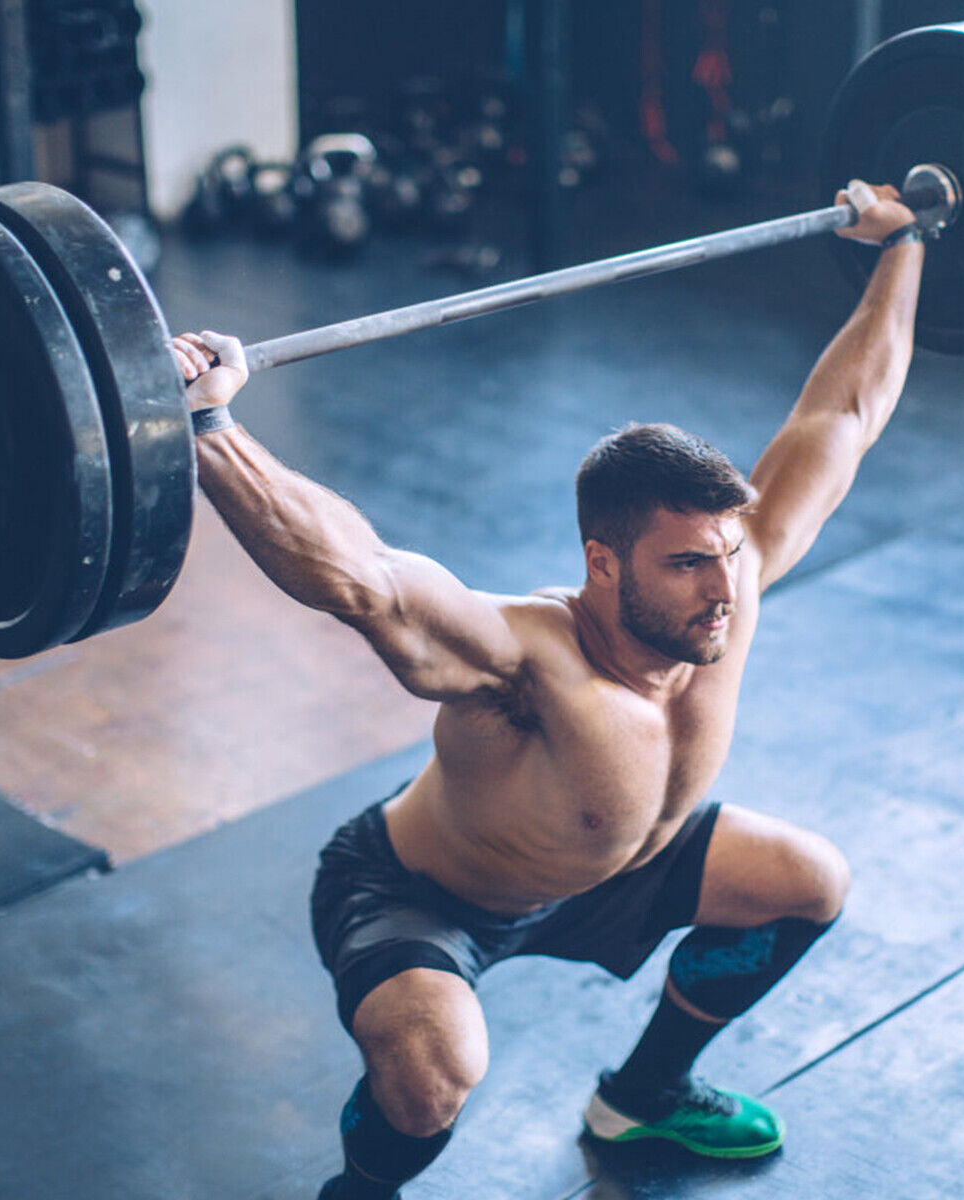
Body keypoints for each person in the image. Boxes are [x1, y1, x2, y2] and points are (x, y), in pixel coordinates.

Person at [171, 180, 924, 1199]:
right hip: (431, 896)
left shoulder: (730, 583)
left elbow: (845, 413)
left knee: (809, 881)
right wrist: (210, 426)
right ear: (603, 563)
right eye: (686, 565)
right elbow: (364, 580)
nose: (722, 591)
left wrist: (906, 242)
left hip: (614, 870)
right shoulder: (525, 659)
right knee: (436, 1076)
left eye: (726, 556)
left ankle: (646, 1094)